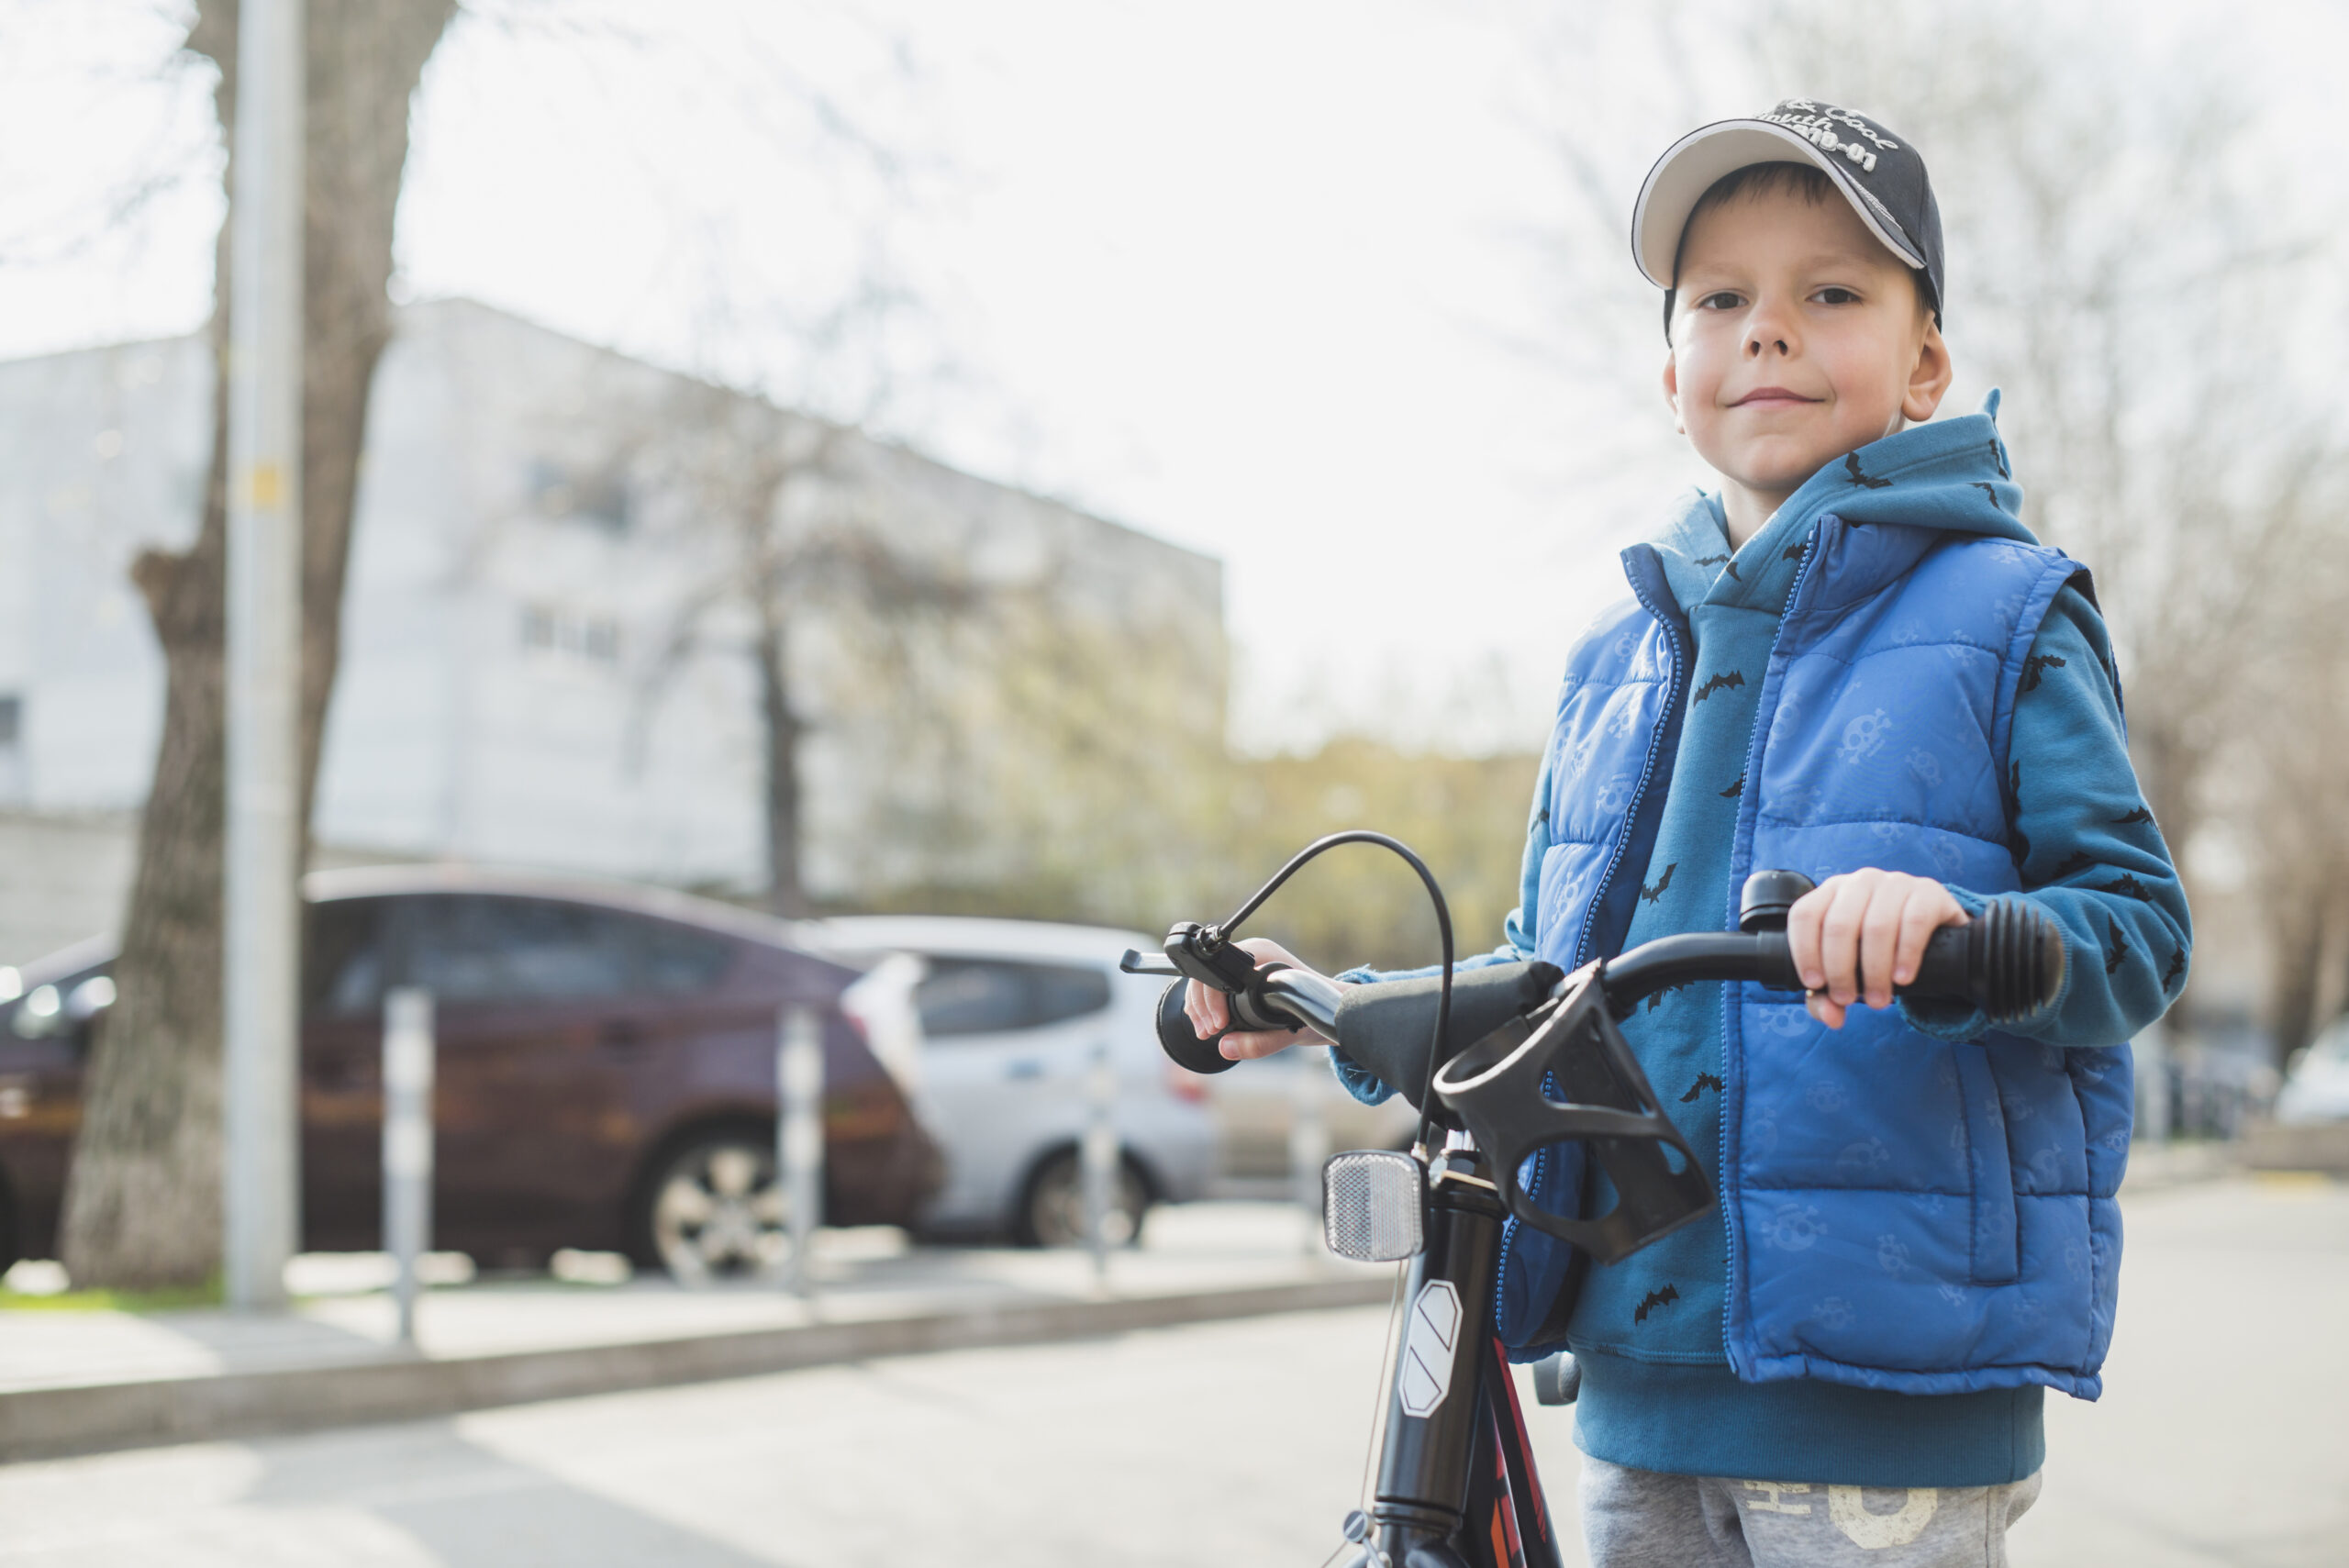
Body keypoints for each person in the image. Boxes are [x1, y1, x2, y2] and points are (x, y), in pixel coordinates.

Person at [1187, 100, 2190, 1567]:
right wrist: (1331, 1008)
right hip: (1643, 1367)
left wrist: (1955, 934)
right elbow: (1552, 975)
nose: (1768, 331)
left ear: (1926, 365)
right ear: (1674, 375)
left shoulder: (2010, 610)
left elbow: (2137, 929)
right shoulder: (1619, 651)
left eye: (1829, 293)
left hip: (1883, 1382)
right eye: (1723, 299)